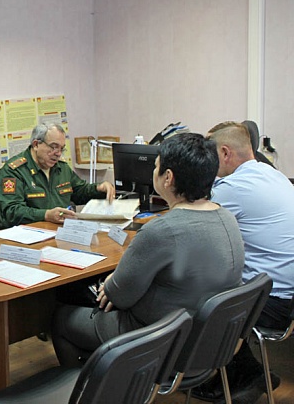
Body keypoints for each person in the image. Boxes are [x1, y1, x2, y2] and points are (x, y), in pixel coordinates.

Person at [51, 133, 245, 366]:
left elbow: (120, 296)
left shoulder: (161, 230)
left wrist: (113, 281)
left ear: (168, 178)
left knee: (62, 318)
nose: (153, 172)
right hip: (210, 339)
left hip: (158, 338)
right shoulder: (228, 217)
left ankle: (100, 383)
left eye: (155, 166)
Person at [194, 121, 294, 404]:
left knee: (194, 293)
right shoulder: (272, 175)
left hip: (272, 302)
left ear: (225, 153)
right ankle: (249, 373)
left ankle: (230, 377)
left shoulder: (232, 188)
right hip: (287, 297)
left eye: (210, 155)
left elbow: (192, 228)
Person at [0, 123, 115, 228]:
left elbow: (79, 191)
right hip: (24, 237)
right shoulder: (13, 171)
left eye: (61, 149)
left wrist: (99, 188)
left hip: (59, 232)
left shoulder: (61, 168)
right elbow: (11, 212)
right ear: (36, 145)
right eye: (53, 147)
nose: (58, 154)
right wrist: (46, 215)